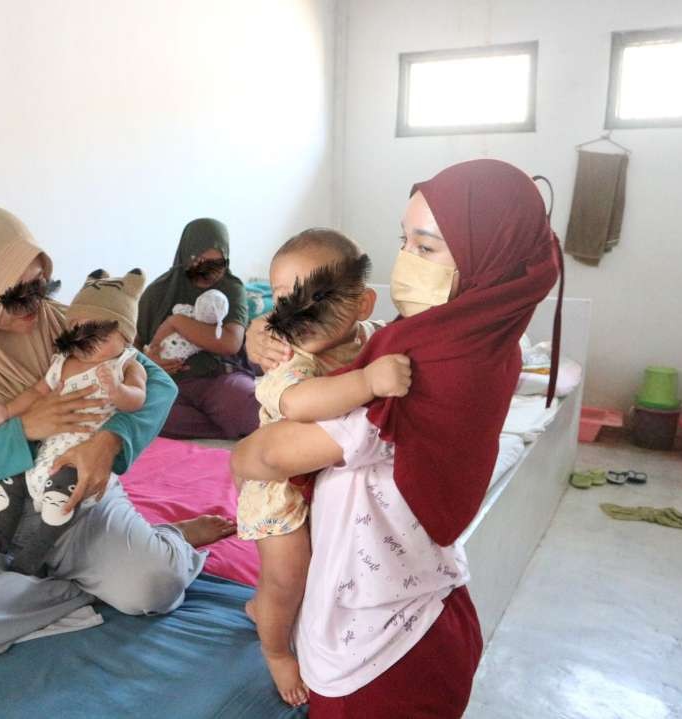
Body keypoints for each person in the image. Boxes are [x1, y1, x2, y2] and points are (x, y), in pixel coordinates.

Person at [236, 159, 562, 717]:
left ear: (488, 259)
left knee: (285, 573)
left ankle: (273, 639)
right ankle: (270, 623)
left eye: (427, 248)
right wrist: (257, 335)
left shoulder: (413, 369)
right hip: (420, 607)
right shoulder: (483, 341)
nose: (405, 261)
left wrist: (331, 382)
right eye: (403, 241)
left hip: (376, 647)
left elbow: (256, 457)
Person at [0, 206, 235, 657]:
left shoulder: (68, 324)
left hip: (78, 494)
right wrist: (22, 430)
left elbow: (156, 382)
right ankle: (89, 585)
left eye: (42, 285)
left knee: (157, 585)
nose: (35, 306)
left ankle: (158, 545)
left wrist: (109, 439)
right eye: (17, 295)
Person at [236, 228, 410, 706]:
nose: (299, 312)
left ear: (362, 304)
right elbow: (301, 403)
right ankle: (274, 649)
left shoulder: (370, 339)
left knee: (320, 571)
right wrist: (370, 380)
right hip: (280, 490)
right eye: (282, 298)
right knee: (289, 574)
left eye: (317, 296)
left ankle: (262, 605)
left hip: (324, 480)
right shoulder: (289, 358)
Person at [0, 268, 149, 577]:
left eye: (97, 331)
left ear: (124, 335)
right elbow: (37, 392)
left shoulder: (125, 364)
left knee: (61, 496)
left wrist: (118, 391)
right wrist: (6, 411)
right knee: (10, 476)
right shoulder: (62, 363)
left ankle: (34, 556)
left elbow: (139, 398)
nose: (84, 338)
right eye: (76, 328)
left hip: (80, 459)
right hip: (45, 450)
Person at [136, 218, 259, 439]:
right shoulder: (158, 291)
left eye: (217, 262)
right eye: (200, 261)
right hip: (170, 384)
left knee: (250, 407)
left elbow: (230, 342)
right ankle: (224, 428)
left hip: (219, 379)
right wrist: (151, 362)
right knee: (143, 410)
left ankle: (229, 422)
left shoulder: (231, 288)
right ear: (186, 256)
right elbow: (133, 348)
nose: (208, 270)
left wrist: (178, 322)